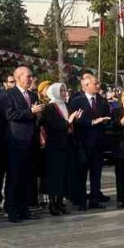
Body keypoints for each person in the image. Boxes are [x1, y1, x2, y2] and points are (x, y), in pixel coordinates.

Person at [0, 66, 41, 222]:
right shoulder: (8, 95)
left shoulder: (32, 94)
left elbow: (35, 116)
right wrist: (31, 112)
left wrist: (38, 114)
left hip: (31, 141)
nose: (30, 79)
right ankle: (11, 210)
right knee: (14, 177)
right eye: (28, 76)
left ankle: (24, 209)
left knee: (27, 178)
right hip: (16, 141)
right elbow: (10, 114)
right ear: (18, 78)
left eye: (31, 76)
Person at [69, 73, 113, 208]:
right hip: (83, 143)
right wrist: (92, 122)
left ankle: (94, 200)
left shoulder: (102, 100)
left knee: (96, 173)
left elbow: (107, 117)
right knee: (81, 174)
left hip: (98, 143)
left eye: (98, 83)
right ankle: (81, 201)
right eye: (96, 83)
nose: (98, 86)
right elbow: (74, 121)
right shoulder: (76, 101)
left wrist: (105, 122)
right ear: (86, 85)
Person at [40, 82, 83, 215]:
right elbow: (53, 125)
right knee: (54, 176)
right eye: (62, 91)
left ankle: (60, 202)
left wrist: (75, 120)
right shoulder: (50, 108)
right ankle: (52, 204)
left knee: (64, 175)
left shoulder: (66, 105)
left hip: (67, 145)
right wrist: (69, 121)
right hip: (54, 146)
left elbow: (70, 124)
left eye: (65, 91)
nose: (65, 94)